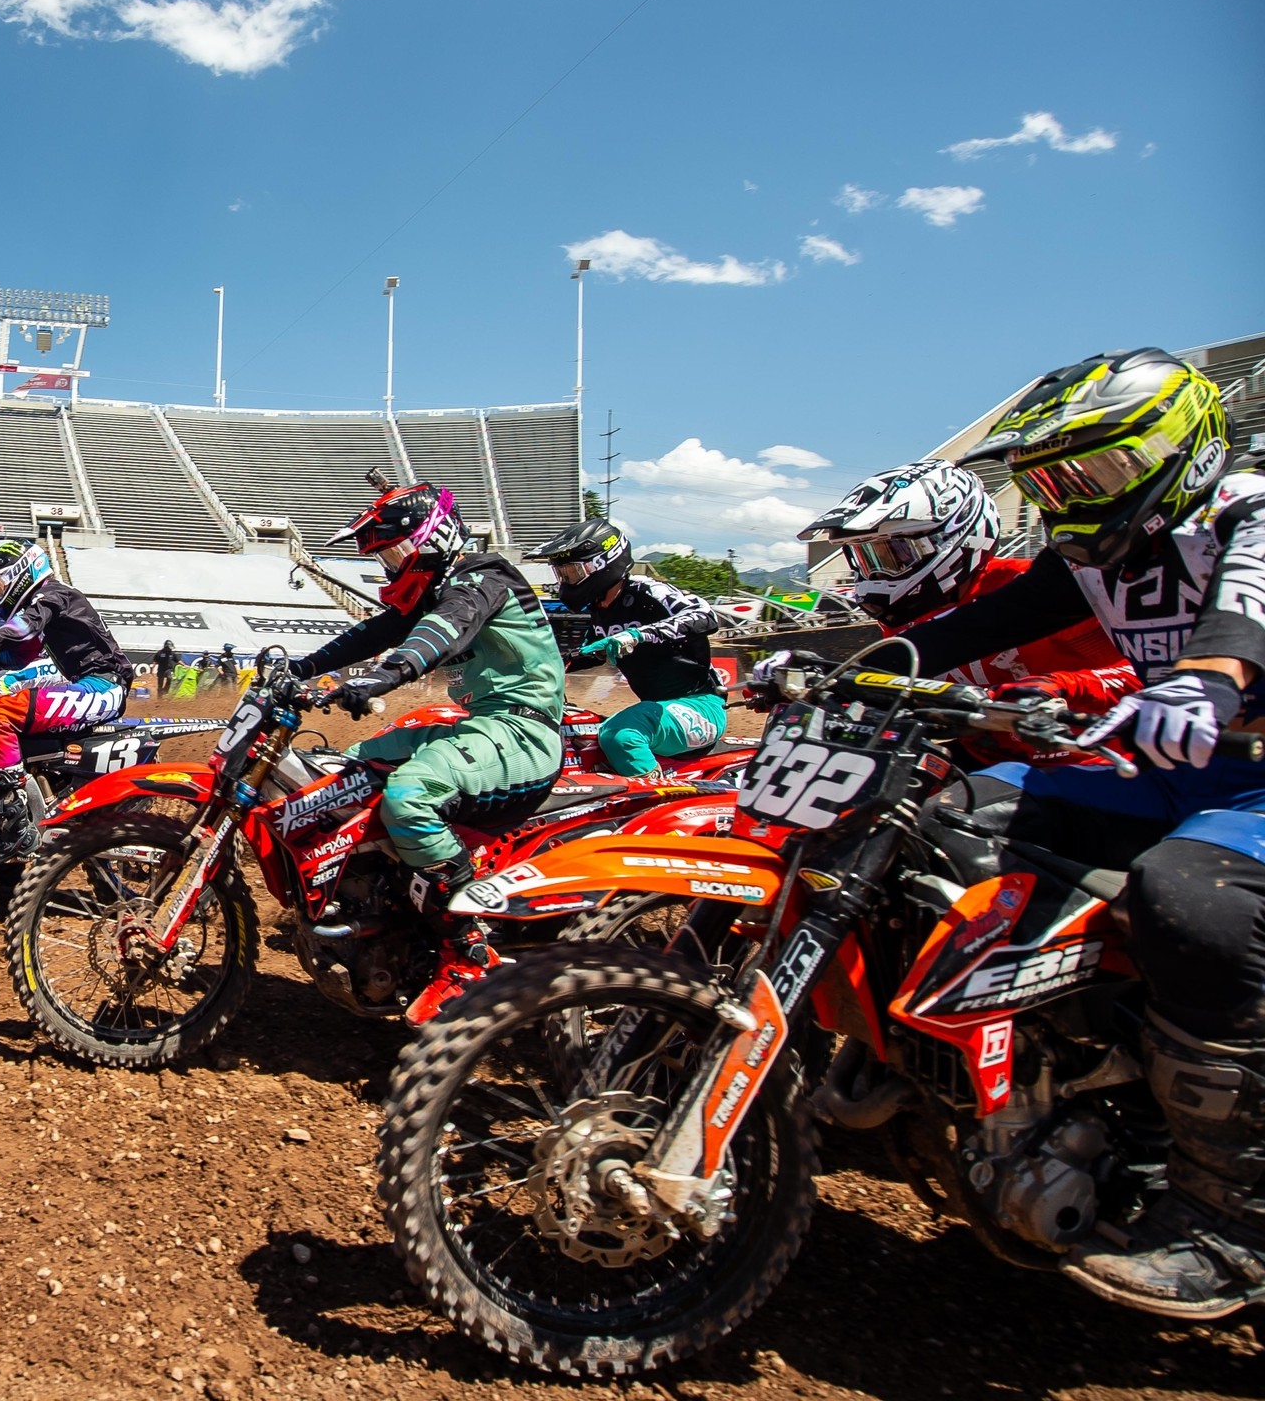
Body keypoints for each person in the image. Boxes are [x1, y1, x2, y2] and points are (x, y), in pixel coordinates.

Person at [863, 349, 1265, 1318]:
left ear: (1177, 450)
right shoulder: (1087, 562)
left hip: (1248, 780)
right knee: (946, 820)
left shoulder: (1244, 508)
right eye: (1053, 482)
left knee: (1189, 899)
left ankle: (1232, 1223)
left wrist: (1212, 676)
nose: (1074, 501)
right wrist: (855, 669)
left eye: (1095, 475)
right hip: (1170, 770)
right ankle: (1073, 1065)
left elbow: (1246, 612)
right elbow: (974, 624)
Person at [292, 475, 567, 909]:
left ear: (435, 536)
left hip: (523, 733)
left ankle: (459, 920)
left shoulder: (484, 576)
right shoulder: (438, 591)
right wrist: (300, 668)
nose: (390, 566)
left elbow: (444, 630)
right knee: (343, 771)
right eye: (385, 556)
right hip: (482, 726)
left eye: (396, 551)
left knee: (408, 796)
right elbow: (374, 631)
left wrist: (384, 675)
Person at [798, 458, 1140, 729]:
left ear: (957, 536)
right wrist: (814, 680)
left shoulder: (1037, 588)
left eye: (894, 555)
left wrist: (1060, 688)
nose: (875, 574)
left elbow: (1149, 676)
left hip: (1088, 760)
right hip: (979, 760)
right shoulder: (910, 619)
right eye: (864, 558)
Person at [0, 539, 133, 870]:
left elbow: (22, 628)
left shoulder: (53, 595)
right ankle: (29, 808)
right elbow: (15, 655)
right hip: (93, 685)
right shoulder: (47, 602)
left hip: (104, 686)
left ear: (19, 572)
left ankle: (16, 827)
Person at [528, 518, 724, 776]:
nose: (566, 580)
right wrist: (538, 667)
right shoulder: (601, 610)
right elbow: (590, 653)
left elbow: (706, 615)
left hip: (700, 707)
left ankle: (656, 797)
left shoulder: (648, 591)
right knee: (581, 732)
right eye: (561, 573)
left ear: (601, 564)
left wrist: (638, 635)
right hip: (659, 711)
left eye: (572, 572)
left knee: (620, 735)